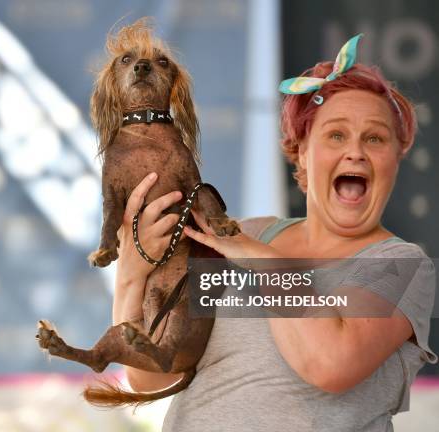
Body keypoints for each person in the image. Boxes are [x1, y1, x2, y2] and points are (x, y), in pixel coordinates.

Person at [112, 35, 437, 431]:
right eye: (336, 135)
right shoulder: (245, 234)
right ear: (301, 151)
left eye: (375, 138)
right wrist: (130, 275)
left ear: (394, 158)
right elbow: (152, 375)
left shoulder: (402, 265)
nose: (356, 152)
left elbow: (329, 364)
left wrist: (262, 259)